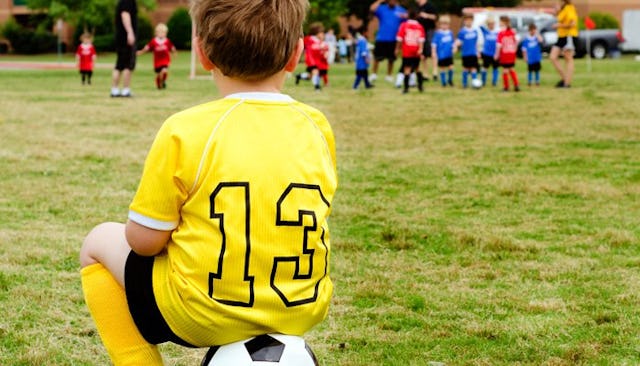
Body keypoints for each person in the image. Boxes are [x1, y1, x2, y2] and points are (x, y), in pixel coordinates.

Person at [79, 0, 338, 364]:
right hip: (300, 307)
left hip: (200, 314)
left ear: (202, 53)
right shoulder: (317, 126)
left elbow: (143, 242)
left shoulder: (186, 129)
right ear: (296, 54)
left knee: (96, 241)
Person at [369, 0, 407, 83]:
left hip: (393, 38)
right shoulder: (382, 9)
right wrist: (380, 1)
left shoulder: (401, 10)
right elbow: (371, 9)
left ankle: (389, 75)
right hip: (381, 37)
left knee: (391, 59)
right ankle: (374, 74)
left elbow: (406, 22)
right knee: (377, 58)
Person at [137, 23, 177, 90]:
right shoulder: (154, 41)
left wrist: (174, 53)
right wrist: (141, 52)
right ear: (156, 33)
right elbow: (147, 48)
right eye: (159, 32)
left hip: (165, 60)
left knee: (164, 71)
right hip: (157, 61)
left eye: (163, 32)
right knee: (159, 74)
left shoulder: (167, 41)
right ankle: (159, 83)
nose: (161, 34)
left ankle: (163, 81)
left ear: (165, 33)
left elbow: (172, 47)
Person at [111, 0, 138, 97]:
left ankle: (114, 90)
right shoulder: (128, 1)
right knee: (128, 64)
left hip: (121, 37)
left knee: (119, 64)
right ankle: (126, 90)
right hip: (126, 38)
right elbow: (125, 14)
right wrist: (130, 32)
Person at [396, 9, 425, 94]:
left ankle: (406, 88)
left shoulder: (404, 25)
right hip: (416, 51)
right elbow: (421, 40)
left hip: (407, 50)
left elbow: (399, 39)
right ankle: (420, 86)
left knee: (407, 69)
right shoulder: (420, 26)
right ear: (417, 16)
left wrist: (397, 49)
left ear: (408, 15)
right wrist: (421, 49)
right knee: (417, 68)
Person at [550, 0, 578, 88]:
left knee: (568, 58)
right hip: (561, 36)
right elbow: (560, 18)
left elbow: (573, 23)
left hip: (569, 36)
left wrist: (559, 25)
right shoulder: (563, 9)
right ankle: (565, 79)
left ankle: (567, 83)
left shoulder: (569, 8)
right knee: (553, 57)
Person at [294, 22, 325, 90]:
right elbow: (300, 42)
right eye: (321, 33)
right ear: (316, 32)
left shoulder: (319, 42)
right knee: (315, 72)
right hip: (311, 60)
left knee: (311, 76)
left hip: (316, 61)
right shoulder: (309, 39)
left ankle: (299, 76)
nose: (322, 34)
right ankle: (317, 87)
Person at [495, 15, 520, 92]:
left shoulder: (501, 33)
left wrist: (496, 54)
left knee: (505, 70)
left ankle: (506, 87)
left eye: (500, 22)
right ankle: (516, 85)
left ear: (504, 23)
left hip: (505, 54)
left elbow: (499, 46)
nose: (499, 24)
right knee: (511, 69)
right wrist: (514, 49)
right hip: (511, 54)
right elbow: (517, 40)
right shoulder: (512, 32)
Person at [455, 14, 480, 88]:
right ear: (464, 22)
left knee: (473, 68)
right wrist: (455, 46)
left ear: (472, 21)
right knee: (465, 68)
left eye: (470, 20)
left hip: (473, 53)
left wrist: (477, 52)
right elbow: (459, 41)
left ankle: (474, 83)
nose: (468, 22)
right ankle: (464, 84)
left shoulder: (475, 31)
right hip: (465, 53)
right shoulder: (462, 31)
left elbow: (476, 43)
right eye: (467, 21)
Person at [416, 0, 438, 81]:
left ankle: (435, 72)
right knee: (422, 54)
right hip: (420, 32)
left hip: (429, 31)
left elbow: (435, 17)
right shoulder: (417, 7)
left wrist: (426, 15)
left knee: (432, 51)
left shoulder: (430, 5)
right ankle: (425, 74)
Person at [431, 16, 455, 87]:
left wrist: (454, 48)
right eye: (442, 24)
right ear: (440, 24)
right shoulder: (438, 34)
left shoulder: (450, 33)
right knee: (442, 68)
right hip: (441, 55)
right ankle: (443, 82)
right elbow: (434, 44)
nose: (444, 26)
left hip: (449, 54)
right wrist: (433, 52)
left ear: (448, 25)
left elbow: (452, 43)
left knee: (451, 67)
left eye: (446, 24)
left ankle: (450, 80)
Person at [480, 18, 499, 87]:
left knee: (495, 68)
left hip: (495, 54)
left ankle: (494, 82)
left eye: (492, 24)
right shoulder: (485, 31)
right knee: (485, 68)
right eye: (490, 24)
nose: (491, 25)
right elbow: (480, 25)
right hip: (486, 53)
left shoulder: (497, 33)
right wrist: (486, 20)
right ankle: (483, 81)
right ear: (488, 25)